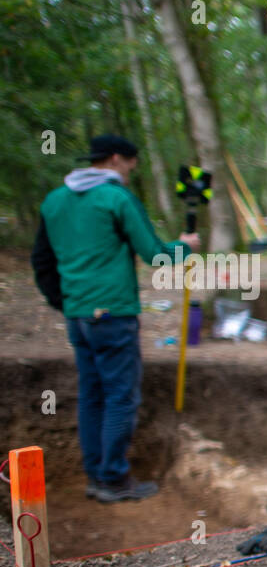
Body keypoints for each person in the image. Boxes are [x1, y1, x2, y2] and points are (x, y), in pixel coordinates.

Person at [31, 134, 198, 503]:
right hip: (113, 313)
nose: (130, 173)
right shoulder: (116, 198)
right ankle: (112, 478)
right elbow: (156, 256)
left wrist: (65, 302)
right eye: (130, 166)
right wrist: (185, 245)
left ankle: (97, 474)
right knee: (120, 396)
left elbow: (41, 261)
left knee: (93, 394)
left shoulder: (55, 200)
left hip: (78, 315)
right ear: (116, 159)